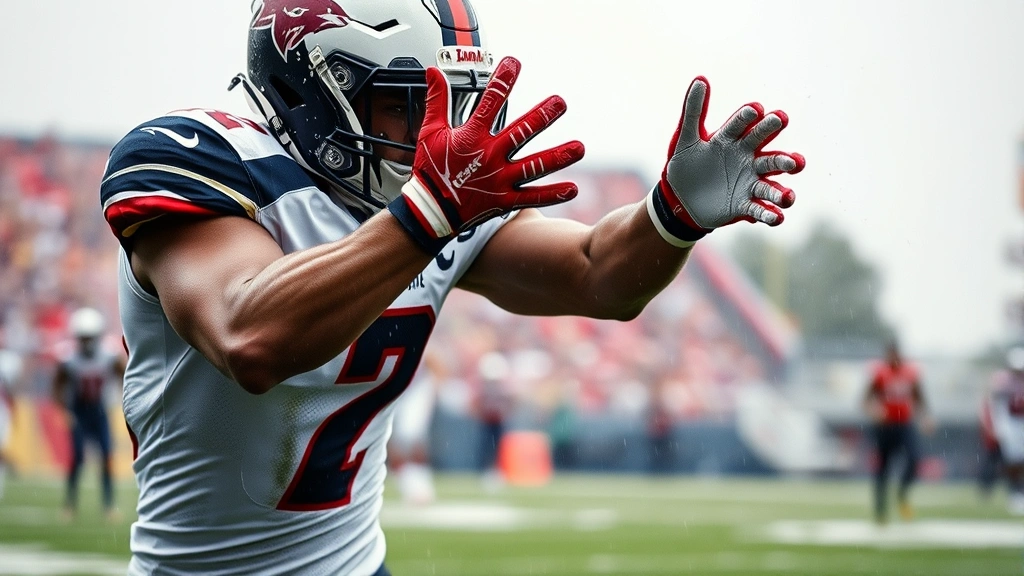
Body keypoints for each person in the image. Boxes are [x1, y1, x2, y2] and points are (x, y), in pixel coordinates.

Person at [98, 1, 804, 573]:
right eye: (405, 105)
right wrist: (428, 213)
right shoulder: (201, 161)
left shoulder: (427, 200)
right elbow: (250, 336)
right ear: (311, 90)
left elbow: (597, 273)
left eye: (452, 105)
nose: (434, 136)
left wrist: (669, 217)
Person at [51, 307, 126, 521]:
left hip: (100, 411)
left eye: (90, 337)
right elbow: (57, 386)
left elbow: (127, 375)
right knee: (77, 458)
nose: (86, 343)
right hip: (79, 411)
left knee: (106, 456)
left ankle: (109, 505)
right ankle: (69, 504)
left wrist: (126, 397)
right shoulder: (69, 359)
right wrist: (63, 410)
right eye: (83, 338)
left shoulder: (109, 355)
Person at [863, 339, 934, 524]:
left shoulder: (910, 373)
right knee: (882, 468)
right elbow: (866, 399)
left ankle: (902, 493)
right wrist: (875, 411)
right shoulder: (880, 374)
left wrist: (926, 416)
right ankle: (880, 511)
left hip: (905, 424)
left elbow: (920, 397)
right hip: (885, 426)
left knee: (914, 459)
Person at [387, 352, 442, 506]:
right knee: (394, 438)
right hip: (396, 389)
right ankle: (410, 482)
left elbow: (434, 362)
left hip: (414, 388)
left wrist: (435, 385)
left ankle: (419, 483)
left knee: (410, 436)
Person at [985, 345, 1024, 514]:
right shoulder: (1003, 380)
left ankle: (1018, 490)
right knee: (1013, 460)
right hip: (1010, 422)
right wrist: (997, 425)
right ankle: (1015, 492)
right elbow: (996, 404)